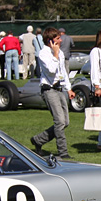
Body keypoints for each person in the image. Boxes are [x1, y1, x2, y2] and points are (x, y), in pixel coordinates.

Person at [28, 27, 75, 160]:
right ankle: (63, 152)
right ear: (50, 41)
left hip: (60, 88)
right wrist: (55, 54)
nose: (60, 40)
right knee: (59, 121)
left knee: (65, 122)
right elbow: (51, 70)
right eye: (57, 39)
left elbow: (62, 72)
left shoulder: (59, 52)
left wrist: (69, 88)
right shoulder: (44, 53)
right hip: (49, 89)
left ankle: (38, 140)